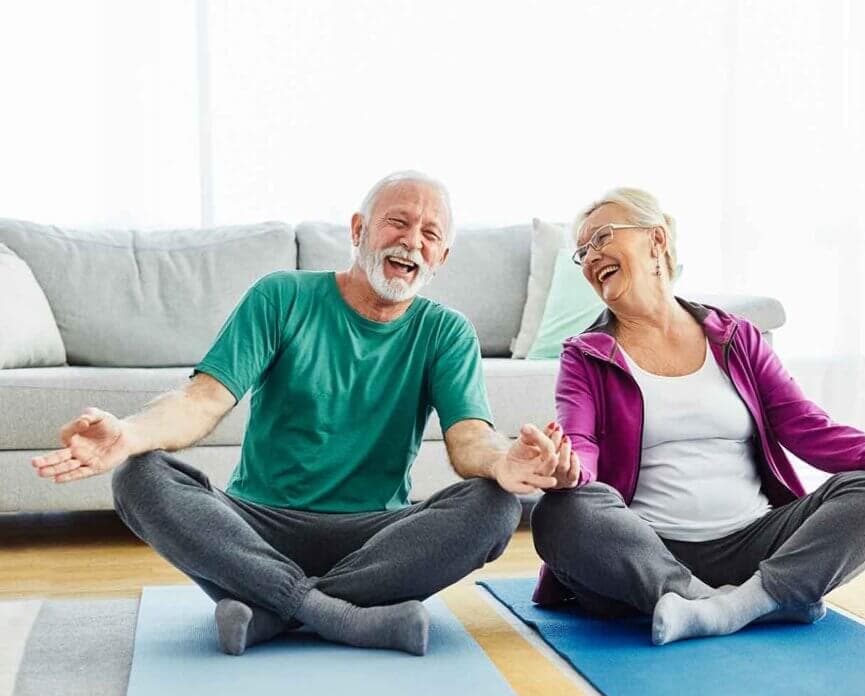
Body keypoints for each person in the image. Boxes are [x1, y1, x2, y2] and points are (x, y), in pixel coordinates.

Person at [32, 170, 560, 656]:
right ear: (358, 229)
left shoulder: (446, 332)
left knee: (496, 506)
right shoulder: (281, 296)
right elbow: (202, 399)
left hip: (375, 540)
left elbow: (470, 440)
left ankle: (272, 610)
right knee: (140, 476)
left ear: (442, 256)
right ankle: (339, 615)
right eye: (397, 222)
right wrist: (128, 433)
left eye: (429, 233)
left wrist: (503, 462)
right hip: (256, 527)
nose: (411, 241)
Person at [530, 187, 865, 645]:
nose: (590, 257)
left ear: (656, 240)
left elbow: (805, 425)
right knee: (559, 512)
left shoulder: (736, 337)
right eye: (581, 252)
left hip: (755, 542)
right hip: (643, 552)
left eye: (601, 237)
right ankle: (727, 600)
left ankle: (736, 605)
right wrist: (568, 469)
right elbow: (580, 443)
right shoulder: (585, 355)